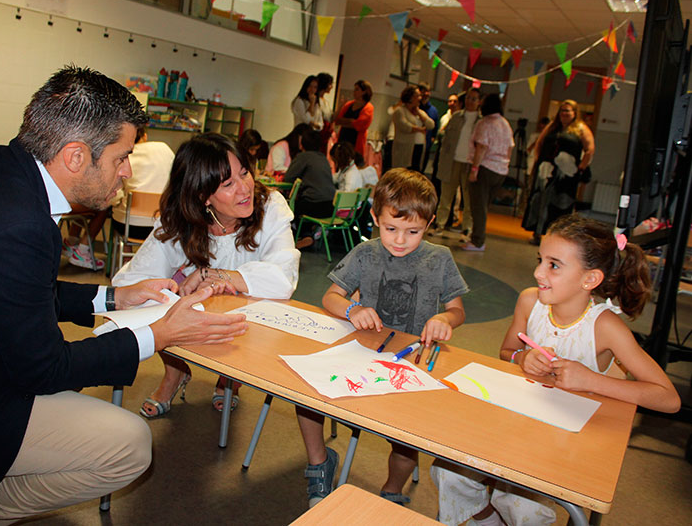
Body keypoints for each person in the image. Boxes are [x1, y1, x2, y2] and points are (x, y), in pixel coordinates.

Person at [0, 66, 248, 523]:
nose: (127, 173)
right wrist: (158, 336)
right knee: (129, 445)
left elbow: (13, 292)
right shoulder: (21, 226)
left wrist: (112, 298)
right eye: (122, 158)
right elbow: (46, 370)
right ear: (76, 156)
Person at [431, 213, 680, 526]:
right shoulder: (529, 302)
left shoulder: (605, 326)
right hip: (516, 420)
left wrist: (590, 380)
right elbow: (507, 351)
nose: (537, 272)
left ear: (590, 279)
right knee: (446, 472)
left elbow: (668, 398)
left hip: (564, 441)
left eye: (553, 265)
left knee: (521, 506)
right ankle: (486, 518)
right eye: (540, 260)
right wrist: (521, 358)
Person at [296, 169, 468, 509]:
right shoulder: (365, 254)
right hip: (363, 354)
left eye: (413, 231)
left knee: (407, 439)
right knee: (305, 394)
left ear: (430, 223)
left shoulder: (440, 259)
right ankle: (319, 462)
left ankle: (391, 490)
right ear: (375, 217)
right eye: (390, 228)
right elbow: (331, 297)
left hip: (411, 361)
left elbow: (457, 310)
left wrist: (444, 318)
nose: (400, 240)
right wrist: (350, 310)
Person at [113, 133, 300, 417]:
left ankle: (229, 380)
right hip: (202, 310)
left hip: (254, 311)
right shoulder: (182, 217)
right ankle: (175, 372)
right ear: (202, 196)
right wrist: (170, 291)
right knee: (163, 304)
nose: (244, 189)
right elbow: (134, 280)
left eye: (245, 173)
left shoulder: (270, 205)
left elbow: (283, 277)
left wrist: (212, 275)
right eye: (228, 184)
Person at [523, 100, 595, 245]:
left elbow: (590, 149)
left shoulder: (581, 128)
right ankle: (537, 233)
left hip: (566, 174)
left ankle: (557, 236)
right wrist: (539, 161)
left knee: (560, 203)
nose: (564, 114)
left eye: (568, 111)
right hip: (546, 171)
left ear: (575, 113)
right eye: (562, 110)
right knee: (541, 200)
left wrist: (581, 167)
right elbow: (539, 143)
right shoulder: (552, 127)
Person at [463, 93, 515, 252]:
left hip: (485, 168)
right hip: (500, 170)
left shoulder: (485, 123)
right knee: (484, 206)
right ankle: (477, 236)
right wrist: (505, 166)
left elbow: (481, 147)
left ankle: (478, 240)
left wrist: (474, 169)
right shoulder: (505, 124)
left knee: (478, 206)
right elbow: (510, 148)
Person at [110, 126, 175, 241]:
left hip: (129, 227)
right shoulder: (164, 149)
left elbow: (114, 197)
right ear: (145, 136)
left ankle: (125, 257)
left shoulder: (123, 157)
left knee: (117, 213)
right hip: (163, 224)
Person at [433, 88, 481, 241]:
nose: (469, 101)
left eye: (474, 99)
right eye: (468, 98)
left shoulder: (480, 121)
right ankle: (440, 225)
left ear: (479, 102)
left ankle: (467, 229)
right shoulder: (456, 117)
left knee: (468, 200)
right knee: (446, 196)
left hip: (469, 164)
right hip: (452, 161)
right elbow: (445, 140)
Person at [284, 129, 336, 219]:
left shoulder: (303, 157)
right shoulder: (323, 157)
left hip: (314, 205)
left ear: (302, 143)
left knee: (286, 206)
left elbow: (288, 178)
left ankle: (300, 231)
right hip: (330, 205)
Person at [391, 85, 434, 170]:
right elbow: (404, 126)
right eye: (418, 96)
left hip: (419, 147)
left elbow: (431, 125)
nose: (420, 98)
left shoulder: (420, 112)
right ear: (410, 97)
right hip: (405, 149)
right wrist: (420, 129)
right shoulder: (400, 111)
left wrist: (419, 114)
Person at [334, 79, 374, 155]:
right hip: (343, 138)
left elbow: (359, 125)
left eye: (357, 89)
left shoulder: (368, 107)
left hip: (355, 142)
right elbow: (338, 120)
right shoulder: (349, 104)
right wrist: (351, 121)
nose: (354, 92)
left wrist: (345, 122)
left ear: (364, 91)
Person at [417, 82, 440, 172]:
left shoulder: (433, 110)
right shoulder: (414, 107)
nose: (426, 94)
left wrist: (432, 138)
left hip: (426, 144)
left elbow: (435, 127)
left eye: (428, 91)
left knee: (421, 169)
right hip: (413, 144)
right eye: (424, 91)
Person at [316, 72, 335, 151]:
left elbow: (330, 117)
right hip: (318, 133)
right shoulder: (316, 100)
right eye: (330, 84)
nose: (331, 87)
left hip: (325, 133)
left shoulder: (325, 102)